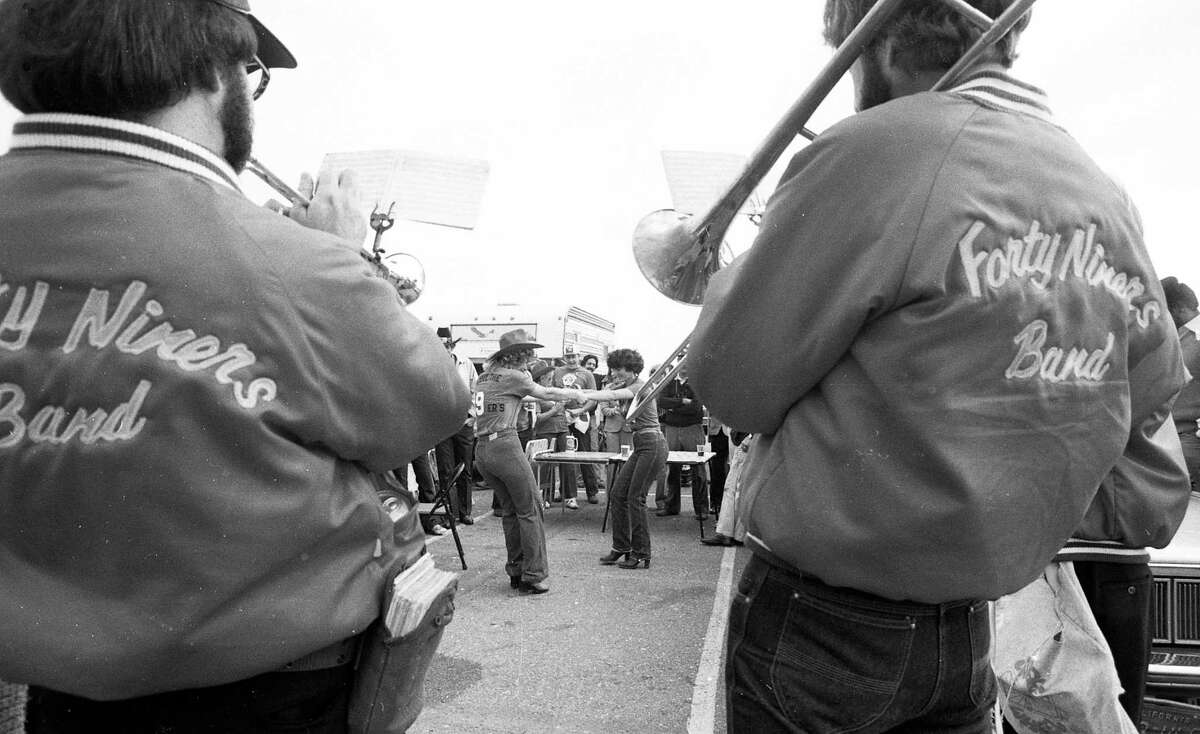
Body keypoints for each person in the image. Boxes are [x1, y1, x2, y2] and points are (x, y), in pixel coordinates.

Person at [689, 1, 1189, 731]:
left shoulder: (873, 149)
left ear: (881, 45)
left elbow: (730, 385)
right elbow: (1150, 488)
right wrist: (992, 503)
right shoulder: (1107, 198)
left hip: (820, 628)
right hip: (967, 636)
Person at [0, 1, 470, 732]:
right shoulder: (300, 268)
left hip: (55, 693)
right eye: (253, 73)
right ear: (216, 70)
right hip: (266, 695)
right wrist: (346, 257)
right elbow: (436, 402)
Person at [473, 329, 582, 594]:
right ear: (517, 355)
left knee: (511, 511)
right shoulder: (514, 376)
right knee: (531, 509)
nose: (532, 358)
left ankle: (516, 570)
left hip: (483, 449)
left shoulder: (485, 377)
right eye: (528, 353)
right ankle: (533, 575)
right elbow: (545, 393)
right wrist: (575, 396)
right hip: (505, 445)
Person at [577, 349, 667, 570]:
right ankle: (621, 547)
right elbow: (605, 391)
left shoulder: (638, 387)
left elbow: (609, 396)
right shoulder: (625, 385)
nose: (615, 373)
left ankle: (641, 553)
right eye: (613, 369)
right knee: (618, 494)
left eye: (619, 369)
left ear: (632, 370)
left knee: (636, 498)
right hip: (642, 444)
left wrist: (586, 395)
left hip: (652, 443)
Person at [434, 330, 479, 525]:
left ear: (452, 346)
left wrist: (473, 417)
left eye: (447, 345)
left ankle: (465, 511)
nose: (444, 348)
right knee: (445, 470)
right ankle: (449, 514)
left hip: (463, 422)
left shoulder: (466, 363)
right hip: (442, 424)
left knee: (465, 469)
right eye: (440, 345)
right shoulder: (430, 365)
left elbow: (477, 390)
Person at [656, 364, 709, 519]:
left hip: (693, 428)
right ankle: (671, 506)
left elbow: (695, 407)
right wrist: (682, 401)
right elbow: (661, 401)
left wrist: (673, 406)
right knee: (672, 468)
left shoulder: (697, 382)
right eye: (681, 362)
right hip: (672, 429)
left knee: (698, 468)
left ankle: (701, 509)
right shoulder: (669, 382)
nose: (684, 366)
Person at [1162, 276, 1200, 488]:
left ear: (1178, 308)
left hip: (1185, 441)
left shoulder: (1197, 338)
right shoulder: (1181, 336)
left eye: (1164, 310)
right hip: (1167, 439)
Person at [554, 344, 600, 505]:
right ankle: (566, 491)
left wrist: (580, 410)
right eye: (568, 357)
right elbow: (553, 393)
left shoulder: (587, 374)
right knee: (563, 454)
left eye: (574, 356)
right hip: (562, 416)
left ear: (579, 356)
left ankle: (592, 491)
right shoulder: (558, 372)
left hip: (581, 416)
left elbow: (594, 398)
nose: (572, 359)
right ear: (564, 358)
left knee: (585, 453)